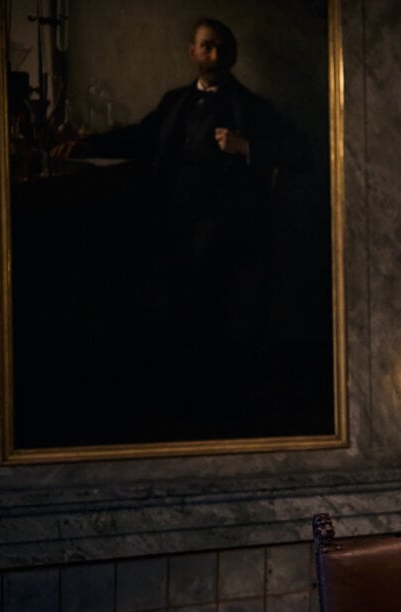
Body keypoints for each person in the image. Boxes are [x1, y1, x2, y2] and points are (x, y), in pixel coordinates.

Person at [64, 17, 312, 428]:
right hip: (169, 216)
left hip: (224, 220)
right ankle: (158, 386)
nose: (213, 54)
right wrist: (88, 142)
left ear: (231, 55)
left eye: (221, 47)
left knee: (197, 272)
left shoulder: (250, 107)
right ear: (192, 52)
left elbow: (302, 154)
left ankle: (200, 394)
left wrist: (246, 145)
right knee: (113, 255)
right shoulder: (175, 101)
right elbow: (139, 137)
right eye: (206, 46)